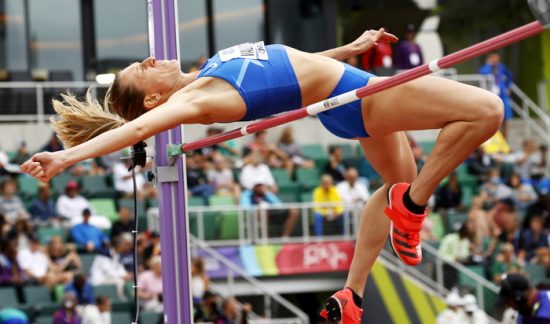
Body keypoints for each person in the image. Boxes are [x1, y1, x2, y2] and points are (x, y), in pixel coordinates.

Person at [21, 28, 504, 323]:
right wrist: (66, 159)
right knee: (487, 110)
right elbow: (141, 129)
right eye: (141, 69)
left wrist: (351, 48)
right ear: (151, 97)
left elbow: (291, 68)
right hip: (367, 98)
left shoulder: (206, 73)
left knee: (392, 184)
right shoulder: (195, 100)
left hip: (347, 95)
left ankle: (352, 293)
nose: (150, 59)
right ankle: (415, 205)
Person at [479, 53, 513, 139]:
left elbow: (509, 76)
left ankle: (505, 142)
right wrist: (488, 65)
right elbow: (482, 73)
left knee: (506, 119)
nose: (495, 62)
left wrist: (508, 87)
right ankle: (497, 143)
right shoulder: (486, 68)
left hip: (502, 95)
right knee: (495, 120)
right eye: (493, 60)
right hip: (491, 95)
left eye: (496, 60)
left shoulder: (501, 67)